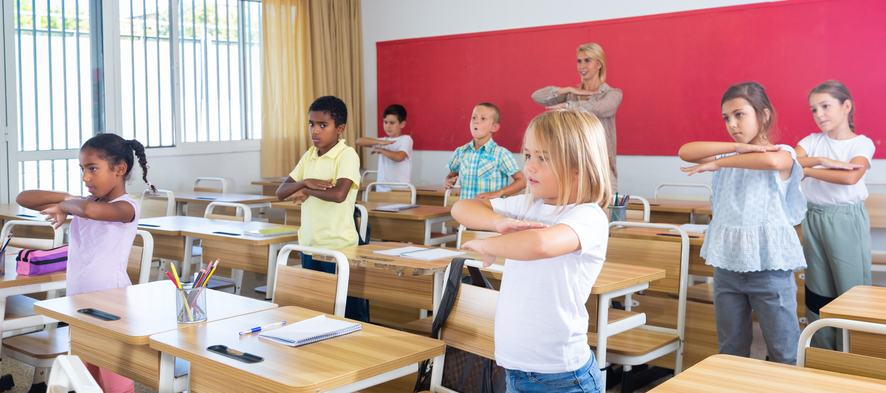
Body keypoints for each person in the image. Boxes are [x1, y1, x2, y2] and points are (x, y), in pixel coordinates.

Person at [454, 110, 611, 392]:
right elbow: (461, 207)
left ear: (579, 167)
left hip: (562, 377)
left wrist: (490, 245)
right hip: (516, 370)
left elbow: (541, 244)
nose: (530, 168)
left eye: (544, 158)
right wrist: (498, 223)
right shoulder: (528, 205)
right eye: (528, 156)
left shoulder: (588, 216)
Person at [678, 82, 807, 365]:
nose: (732, 123)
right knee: (731, 350)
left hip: (771, 267)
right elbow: (686, 151)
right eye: (726, 118)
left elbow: (772, 162)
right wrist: (735, 148)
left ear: (763, 114)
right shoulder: (728, 153)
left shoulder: (783, 151)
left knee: (785, 350)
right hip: (727, 267)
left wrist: (724, 161)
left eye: (739, 115)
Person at [16, 133, 154, 393]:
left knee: (114, 381)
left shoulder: (127, 207)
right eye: (82, 169)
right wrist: (66, 199)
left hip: (111, 308)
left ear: (120, 169)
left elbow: (91, 212)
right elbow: (23, 198)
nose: (85, 177)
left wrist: (66, 206)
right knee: (84, 379)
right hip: (79, 304)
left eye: (92, 169)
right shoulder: (81, 202)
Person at [275, 95, 368, 322]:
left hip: (339, 247)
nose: (314, 131)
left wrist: (305, 190)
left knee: (347, 314)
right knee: (317, 311)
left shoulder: (347, 155)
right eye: (311, 124)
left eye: (322, 125)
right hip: (309, 244)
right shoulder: (310, 155)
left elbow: (339, 194)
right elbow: (281, 191)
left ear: (340, 129)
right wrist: (305, 182)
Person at [796, 80, 874, 350]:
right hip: (813, 216)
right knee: (818, 288)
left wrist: (805, 169)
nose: (819, 115)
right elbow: (787, 161)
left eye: (825, 106)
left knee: (850, 287)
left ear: (846, 107)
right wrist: (820, 161)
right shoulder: (812, 141)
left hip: (845, 220)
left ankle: (856, 352)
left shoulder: (861, 144)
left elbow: (852, 176)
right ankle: (823, 352)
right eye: (813, 109)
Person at [531, 43, 623, 191]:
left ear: (599, 64)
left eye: (587, 60)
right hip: (572, 165)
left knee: (603, 212)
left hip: (601, 166)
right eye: (579, 61)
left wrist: (567, 106)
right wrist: (567, 89)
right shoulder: (571, 94)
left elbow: (599, 109)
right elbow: (537, 96)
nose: (582, 66)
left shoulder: (613, 93)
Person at [443, 103, 525, 200]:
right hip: (466, 211)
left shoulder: (501, 154)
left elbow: (522, 181)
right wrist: (446, 181)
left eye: (483, 118)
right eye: (474, 117)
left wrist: (499, 193)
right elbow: (450, 176)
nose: (476, 121)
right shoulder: (460, 152)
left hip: (490, 211)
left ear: (494, 127)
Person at [356, 104, 413, 192]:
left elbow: (399, 157)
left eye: (392, 123)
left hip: (400, 188)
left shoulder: (406, 139)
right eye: (385, 122)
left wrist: (382, 150)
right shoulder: (383, 141)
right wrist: (380, 142)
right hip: (381, 188)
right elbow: (359, 141)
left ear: (402, 124)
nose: (387, 126)